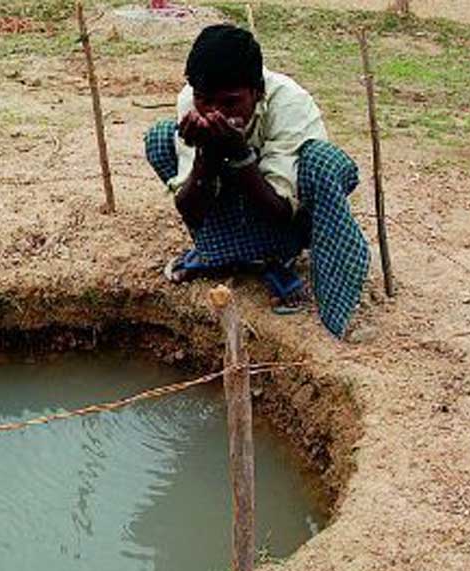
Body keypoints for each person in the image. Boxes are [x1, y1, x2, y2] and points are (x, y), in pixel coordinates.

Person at [145, 24, 370, 337]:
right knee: (160, 137)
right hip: (231, 199)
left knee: (322, 162)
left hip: (288, 220)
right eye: (205, 101)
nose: (215, 113)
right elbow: (192, 212)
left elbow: (282, 209)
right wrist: (207, 157)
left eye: (230, 103)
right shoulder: (191, 102)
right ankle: (221, 254)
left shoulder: (290, 104)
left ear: (258, 92)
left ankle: (279, 258)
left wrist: (240, 155)